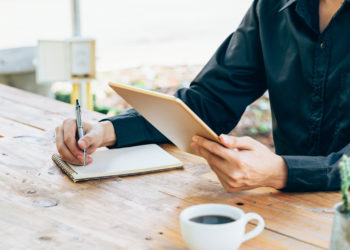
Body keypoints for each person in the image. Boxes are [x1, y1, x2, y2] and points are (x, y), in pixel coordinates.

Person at [55, 0, 350, 192]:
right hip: (289, 209)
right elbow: (210, 100)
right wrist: (107, 130)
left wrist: (284, 172)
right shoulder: (270, 8)